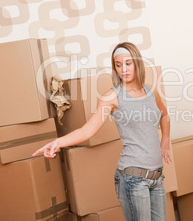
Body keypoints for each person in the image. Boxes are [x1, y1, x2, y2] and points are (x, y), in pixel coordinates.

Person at [32, 42, 172, 221]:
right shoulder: (112, 97)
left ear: (137, 63)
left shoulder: (151, 91)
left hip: (157, 178)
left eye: (128, 63)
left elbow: (164, 114)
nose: (123, 69)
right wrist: (57, 143)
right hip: (133, 180)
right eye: (118, 65)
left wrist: (165, 139)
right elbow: (88, 130)